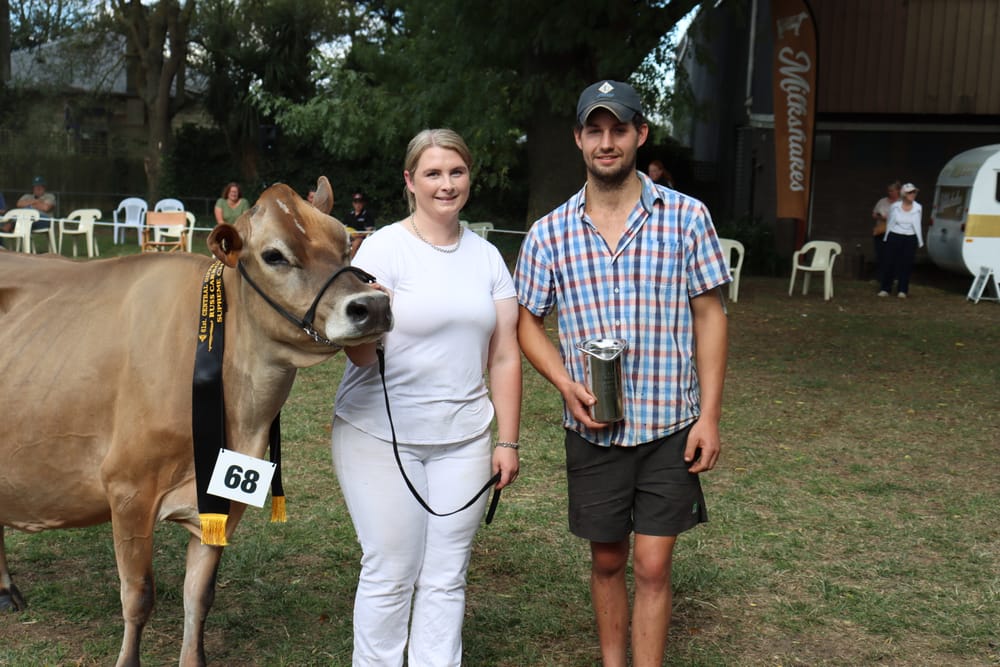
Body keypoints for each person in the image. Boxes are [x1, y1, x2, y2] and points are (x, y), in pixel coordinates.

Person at [514, 80, 729, 667]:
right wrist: (563, 382)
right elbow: (527, 323)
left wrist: (708, 416)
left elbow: (710, 316)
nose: (606, 143)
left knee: (653, 563)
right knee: (607, 560)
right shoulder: (549, 233)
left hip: (670, 421)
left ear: (640, 134)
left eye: (618, 130)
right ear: (579, 139)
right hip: (593, 425)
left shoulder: (687, 218)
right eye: (594, 131)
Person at [331, 128, 521, 666]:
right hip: (378, 434)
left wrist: (506, 440)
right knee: (391, 569)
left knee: (445, 575)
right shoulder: (384, 248)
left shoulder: (487, 258)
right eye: (433, 174)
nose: (446, 184)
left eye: (456, 172)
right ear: (410, 182)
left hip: (464, 438)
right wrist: (372, 317)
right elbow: (359, 356)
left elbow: (504, 355)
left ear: (469, 178)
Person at [878, 182, 924, 298]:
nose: (912, 194)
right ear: (904, 194)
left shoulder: (918, 207)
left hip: (910, 237)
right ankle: (885, 288)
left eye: (914, 192)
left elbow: (917, 224)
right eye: (910, 192)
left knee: (906, 264)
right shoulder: (895, 207)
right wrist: (888, 236)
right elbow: (890, 221)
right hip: (895, 235)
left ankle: (902, 290)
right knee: (889, 262)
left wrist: (919, 239)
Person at [871, 180, 901, 276]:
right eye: (889, 191)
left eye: (892, 191)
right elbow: (874, 214)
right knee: (881, 254)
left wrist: (890, 218)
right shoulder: (882, 201)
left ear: (898, 191)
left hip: (894, 232)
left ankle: (894, 277)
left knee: (893, 255)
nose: (890, 193)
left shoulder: (901, 203)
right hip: (881, 231)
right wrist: (879, 216)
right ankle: (880, 277)